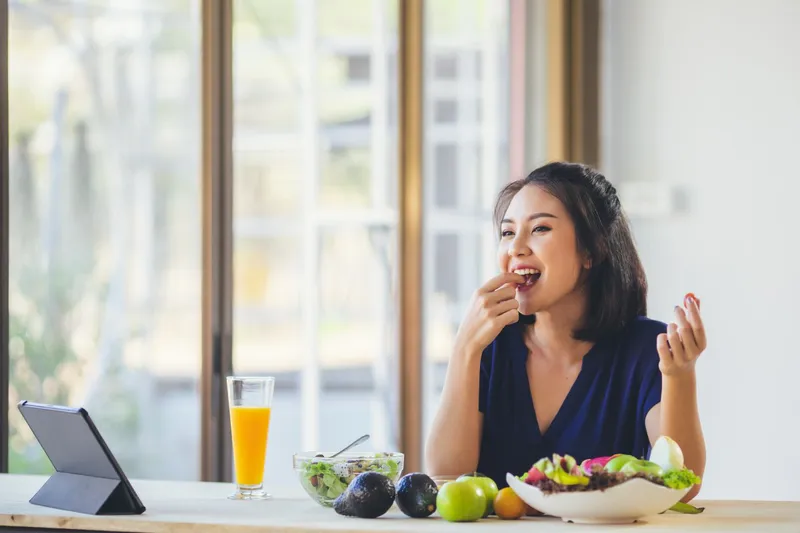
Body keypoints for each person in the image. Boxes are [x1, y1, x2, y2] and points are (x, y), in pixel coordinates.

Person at [425, 161, 706, 502]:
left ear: (591, 250)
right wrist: (464, 349)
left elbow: (683, 487)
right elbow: (445, 477)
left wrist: (679, 375)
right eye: (508, 232)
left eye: (540, 229)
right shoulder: (490, 345)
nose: (515, 248)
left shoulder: (646, 348)